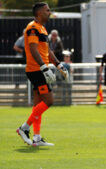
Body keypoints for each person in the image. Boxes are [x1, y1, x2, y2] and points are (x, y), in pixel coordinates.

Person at [16, 2, 69, 147]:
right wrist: (44, 68)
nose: (50, 12)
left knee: (38, 104)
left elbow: (48, 51)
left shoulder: (42, 28)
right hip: (36, 70)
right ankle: (24, 128)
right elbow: (33, 49)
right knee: (49, 100)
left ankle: (37, 138)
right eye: (47, 10)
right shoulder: (33, 27)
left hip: (39, 69)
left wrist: (58, 65)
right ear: (39, 13)